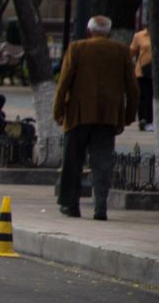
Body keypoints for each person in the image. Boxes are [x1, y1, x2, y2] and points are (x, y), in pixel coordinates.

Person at [53, 15, 139, 220]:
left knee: (72, 161)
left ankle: (70, 205)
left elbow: (63, 82)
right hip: (108, 117)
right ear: (108, 33)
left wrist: (58, 112)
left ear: (89, 32)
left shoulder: (77, 48)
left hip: (78, 115)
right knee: (102, 163)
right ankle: (100, 207)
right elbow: (133, 89)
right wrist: (127, 116)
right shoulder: (121, 51)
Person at [130, 25, 153, 131]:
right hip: (143, 71)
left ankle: (152, 119)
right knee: (144, 96)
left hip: (155, 71)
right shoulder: (139, 36)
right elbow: (132, 52)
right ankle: (144, 120)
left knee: (153, 96)